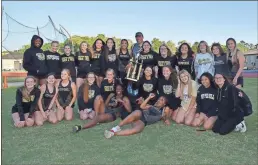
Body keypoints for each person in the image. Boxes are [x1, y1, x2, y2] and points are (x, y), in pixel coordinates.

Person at [104, 93, 171, 139]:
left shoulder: (161, 113)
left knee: (137, 130)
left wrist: (166, 118)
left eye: (161, 100)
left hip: (144, 122)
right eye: (159, 99)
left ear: (164, 104)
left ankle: (112, 133)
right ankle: (116, 128)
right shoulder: (150, 106)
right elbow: (142, 106)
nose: (159, 100)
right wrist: (149, 97)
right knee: (137, 112)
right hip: (140, 114)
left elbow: (165, 118)